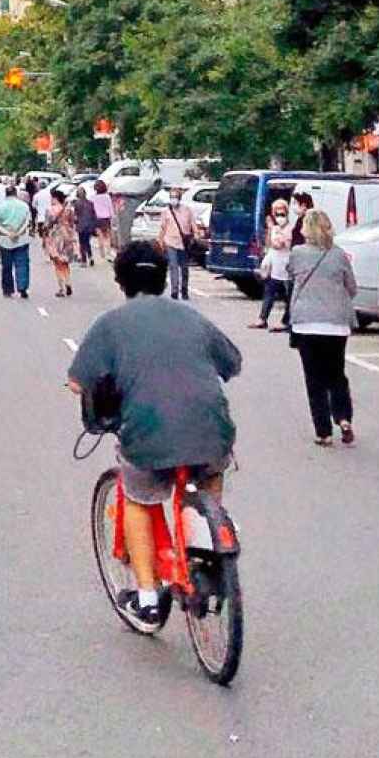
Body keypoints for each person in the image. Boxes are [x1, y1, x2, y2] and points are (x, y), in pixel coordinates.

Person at [67, 241, 242, 630]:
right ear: (164, 278)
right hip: (211, 431)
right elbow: (232, 363)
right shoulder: (192, 317)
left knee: (140, 499)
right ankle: (207, 545)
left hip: (147, 436)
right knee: (208, 476)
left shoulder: (110, 324)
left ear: (121, 282)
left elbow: (78, 383)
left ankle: (147, 597)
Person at [287, 209, 359, 447]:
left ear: (306, 229)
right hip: (336, 324)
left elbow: (291, 277)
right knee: (336, 374)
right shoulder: (339, 256)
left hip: (307, 323)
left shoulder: (297, 253)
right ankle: (343, 417)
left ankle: (323, 432)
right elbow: (352, 287)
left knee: (314, 379)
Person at [251, 199, 294, 331]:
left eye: (281, 212)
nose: (279, 216)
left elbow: (284, 245)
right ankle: (262, 318)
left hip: (286, 265)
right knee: (269, 291)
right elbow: (270, 244)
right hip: (275, 264)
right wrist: (270, 229)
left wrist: (279, 239)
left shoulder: (290, 228)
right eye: (276, 213)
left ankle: (287, 321)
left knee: (289, 295)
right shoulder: (274, 228)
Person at [157, 185, 198, 300]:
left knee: (184, 268)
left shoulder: (187, 210)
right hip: (170, 242)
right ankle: (174, 291)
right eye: (171, 197)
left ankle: (184, 290)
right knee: (173, 266)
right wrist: (160, 241)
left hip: (184, 243)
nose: (173, 199)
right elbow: (163, 228)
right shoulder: (166, 212)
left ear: (179, 198)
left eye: (175, 197)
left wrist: (196, 235)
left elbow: (192, 224)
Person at [0, 185, 32, 299]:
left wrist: (7, 233)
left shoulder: (1, 206)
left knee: (7, 266)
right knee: (22, 264)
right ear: (16, 193)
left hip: (5, 239)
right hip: (22, 239)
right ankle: (22, 288)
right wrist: (19, 232)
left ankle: (8, 290)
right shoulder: (23, 205)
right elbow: (27, 221)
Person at [43, 189, 78, 297]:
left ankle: (61, 288)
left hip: (55, 236)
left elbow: (47, 224)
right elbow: (73, 222)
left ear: (55, 198)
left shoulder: (50, 210)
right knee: (65, 262)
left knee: (57, 263)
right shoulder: (69, 209)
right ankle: (68, 282)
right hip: (67, 236)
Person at [90, 180, 115, 263]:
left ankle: (102, 255)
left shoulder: (93, 198)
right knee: (107, 236)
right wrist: (112, 216)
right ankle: (108, 252)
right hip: (106, 218)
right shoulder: (107, 197)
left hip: (97, 219)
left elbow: (92, 209)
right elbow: (110, 208)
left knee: (100, 237)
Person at [72, 187, 97, 265]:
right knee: (87, 242)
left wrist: (75, 222)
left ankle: (84, 260)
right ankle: (90, 257)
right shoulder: (90, 203)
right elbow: (94, 215)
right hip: (89, 225)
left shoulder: (76, 204)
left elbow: (75, 216)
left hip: (81, 225)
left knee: (82, 243)